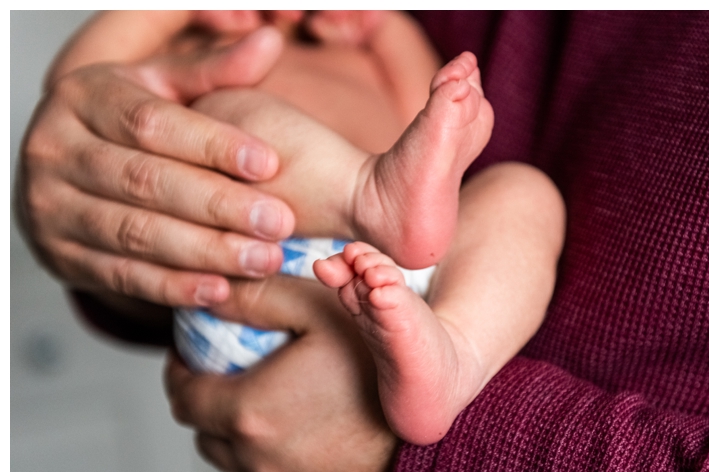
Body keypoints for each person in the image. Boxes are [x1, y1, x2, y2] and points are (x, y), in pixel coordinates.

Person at [16, 11, 709, 472]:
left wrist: (472, 445)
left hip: (386, 310)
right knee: (236, 111)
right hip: (268, 275)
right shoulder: (247, 41)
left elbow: (446, 108)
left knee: (521, 195)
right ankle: (377, 214)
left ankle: (452, 353)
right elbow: (95, 110)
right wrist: (73, 179)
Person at [52, 10, 565, 446]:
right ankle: (363, 194)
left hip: (408, 300)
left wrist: (378, 26)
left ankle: (457, 354)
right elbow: (75, 96)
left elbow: (429, 116)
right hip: (252, 268)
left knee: (523, 192)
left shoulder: (360, 38)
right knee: (216, 116)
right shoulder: (189, 45)